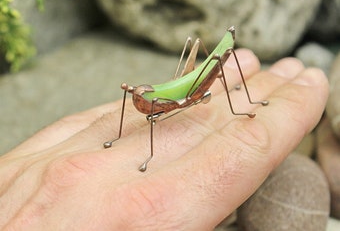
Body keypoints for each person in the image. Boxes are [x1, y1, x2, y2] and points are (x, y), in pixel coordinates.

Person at [0, 49, 328, 230]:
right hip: (176, 97)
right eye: (135, 96)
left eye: (138, 96)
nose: (136, 99)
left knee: (213, 58)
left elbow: (157, 113)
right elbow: (147, 112)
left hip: (189, 98)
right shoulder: (146, 104)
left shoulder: (166, 104)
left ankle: (246, 106)